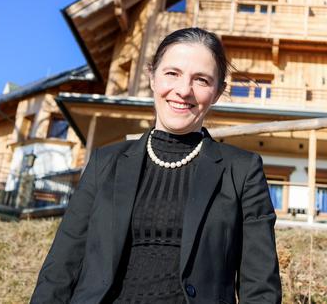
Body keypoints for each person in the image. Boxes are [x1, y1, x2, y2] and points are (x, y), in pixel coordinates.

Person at [30, 27, 281, 304]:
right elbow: (62, 267)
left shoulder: (242, 171)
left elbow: (260, 287)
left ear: (218, 92)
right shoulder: (105, 163)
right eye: (172, 73)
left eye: (201, 80)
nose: (183, 90)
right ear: (152, 76)